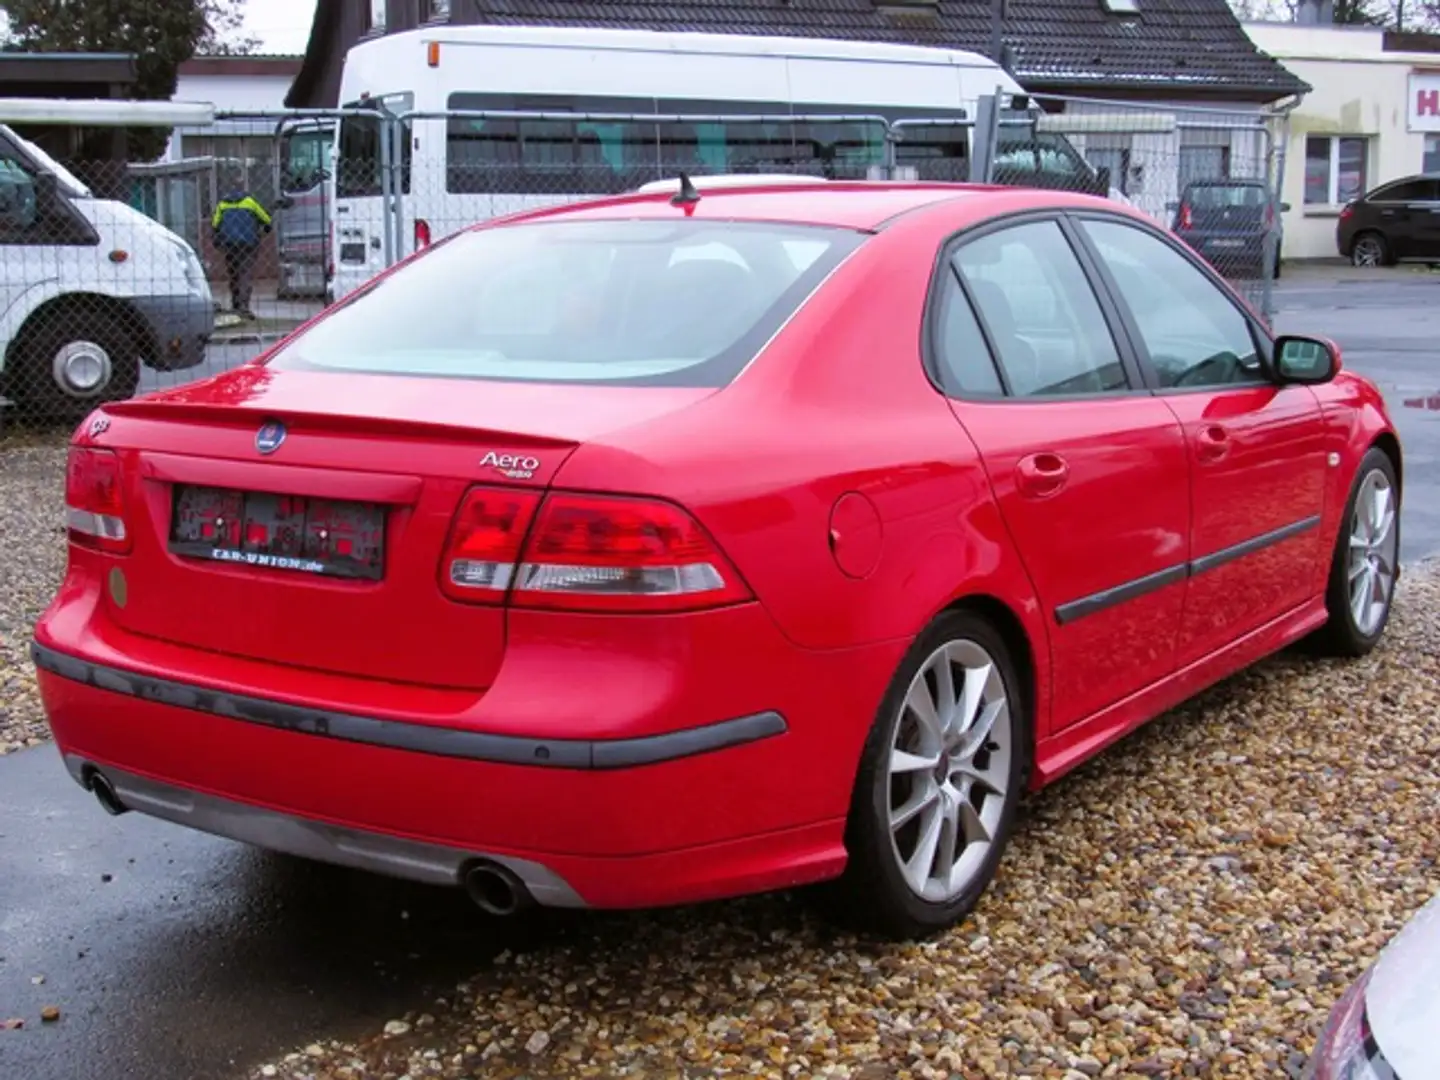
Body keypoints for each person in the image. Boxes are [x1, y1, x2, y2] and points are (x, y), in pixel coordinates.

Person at [211, 190, 273, 319]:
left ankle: (235, 303)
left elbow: (215, 225)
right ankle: (244, 306)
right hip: (248, 244)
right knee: (245, 273)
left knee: (233, 273)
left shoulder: (222, 204)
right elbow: (267, 220)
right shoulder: (250, 202)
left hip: (229, 244)